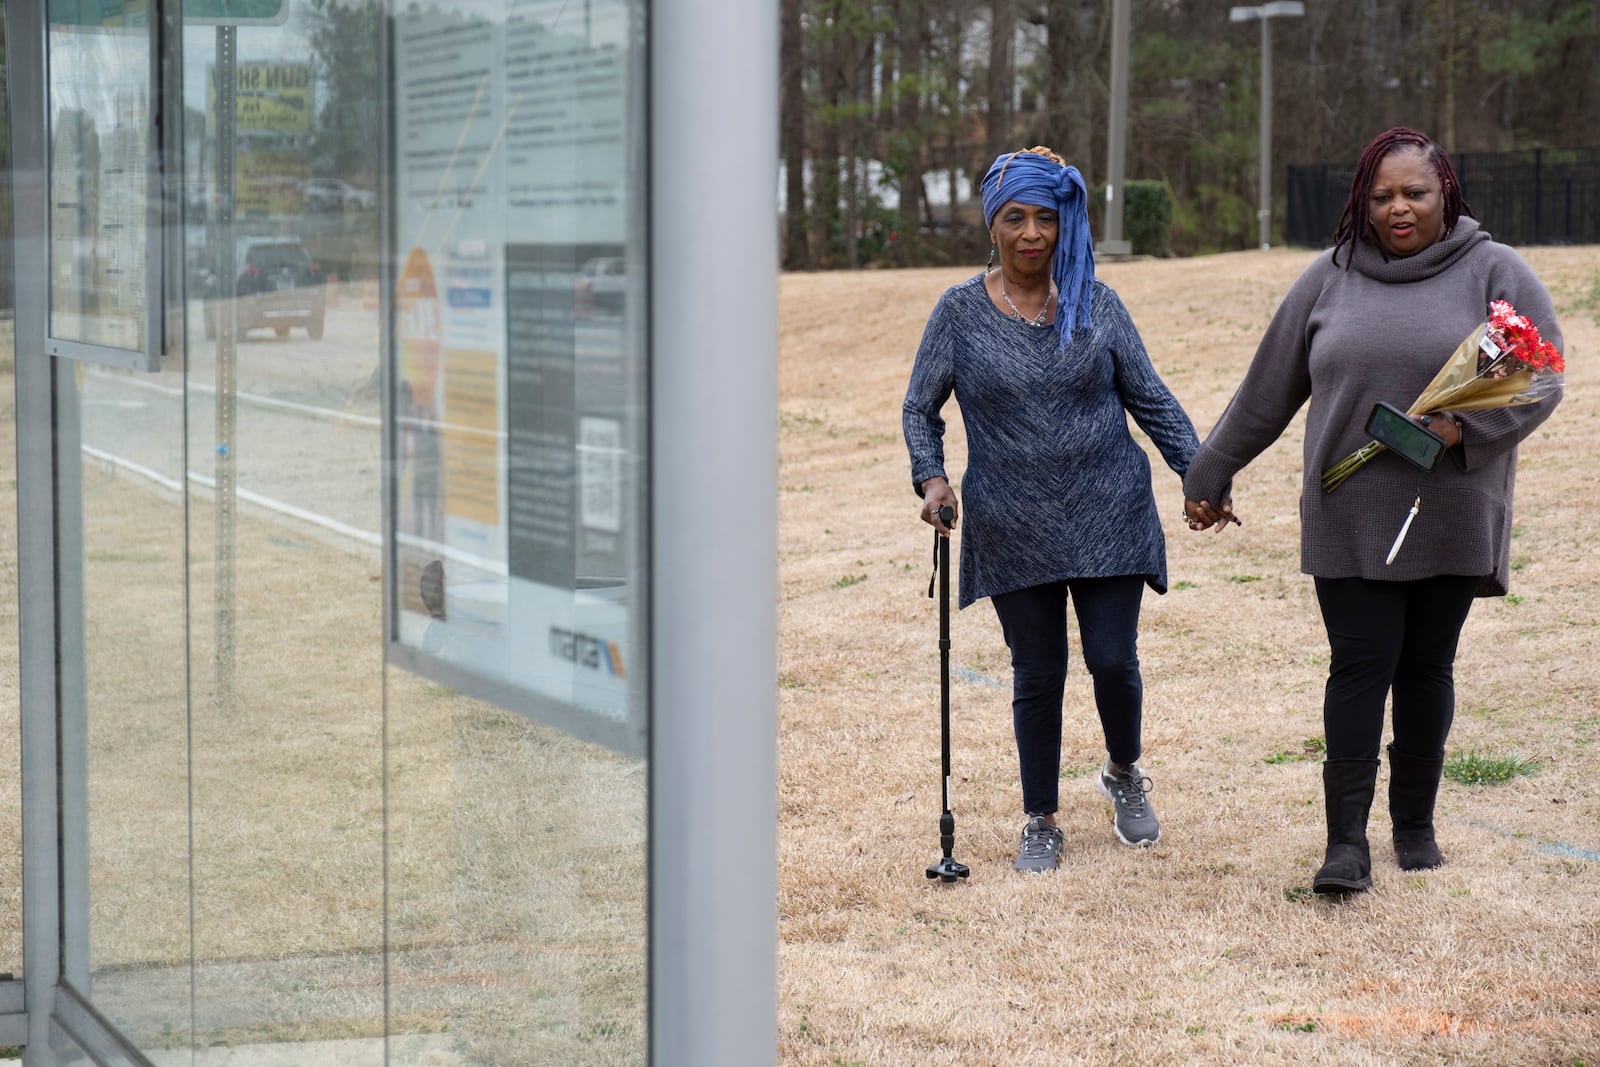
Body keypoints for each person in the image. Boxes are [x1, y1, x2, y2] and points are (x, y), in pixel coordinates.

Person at [1181, 127, 1564, 894]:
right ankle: (1345, 845)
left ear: (1444, 193)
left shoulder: (1494, 269)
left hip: (1451, 504)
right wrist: (1211, 470)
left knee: (1426, 666)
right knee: (1360, 664)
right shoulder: (1329, 277)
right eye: (1384, 194)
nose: (1399, 209)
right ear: (1363, 197)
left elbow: (1540, 375)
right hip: (1350, 508)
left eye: (1415, 193)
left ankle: (1414, 826)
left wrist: (1463, 427)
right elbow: (1267, 390)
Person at [902, 146, 1202, 873]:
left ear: (1067, 224)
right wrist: (932, 479)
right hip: (1013, 524)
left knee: (1111, 659)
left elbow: (1151, 397)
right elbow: (920, 407)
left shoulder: (1097, 302)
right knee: (1037, 672)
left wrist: (1202, 474)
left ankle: (1124, 773)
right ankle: (1040, 817)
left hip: (1110, 512)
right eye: (1016, 218)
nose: (1033, 232)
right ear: (993, 225)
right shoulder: (960, 312)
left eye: (1048, 217)